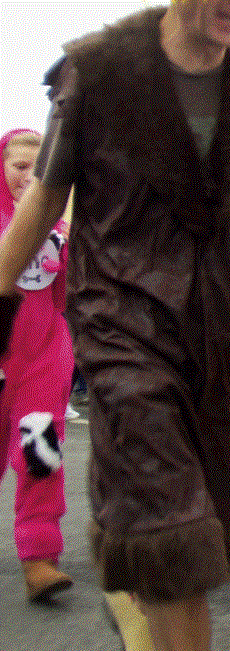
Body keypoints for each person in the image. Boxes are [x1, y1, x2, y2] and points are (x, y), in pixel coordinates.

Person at [0, 3, 230, 649]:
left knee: (200, 514)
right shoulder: (97, 70)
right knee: (171, 520)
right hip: (122, 322)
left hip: (225, 333)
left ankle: (138, 589)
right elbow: (45, 198)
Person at [0, 128, 74, 602]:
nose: (29, 176)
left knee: (40, 456)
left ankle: (39, 558)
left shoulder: (60, 232)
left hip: (43, 359)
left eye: (38, 166)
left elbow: (64, 296)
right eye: (19, 166)